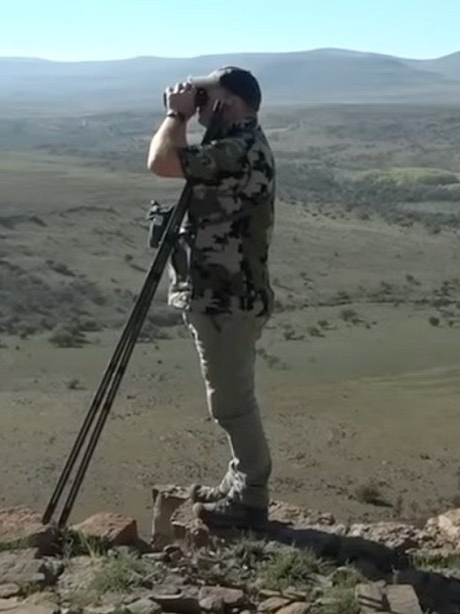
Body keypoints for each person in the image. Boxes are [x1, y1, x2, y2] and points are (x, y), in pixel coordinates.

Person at [147, 66, 276, 530]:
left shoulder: (238, 149)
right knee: (230, 398)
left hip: (227, 299)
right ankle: (238, 481)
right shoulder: (234, 142)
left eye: (208, 96)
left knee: (231, 403)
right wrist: (195, 112)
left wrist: (175, 116)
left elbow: (162, 161)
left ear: (231, 103)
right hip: (221, 294)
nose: (198, 104)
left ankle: (250, 496)